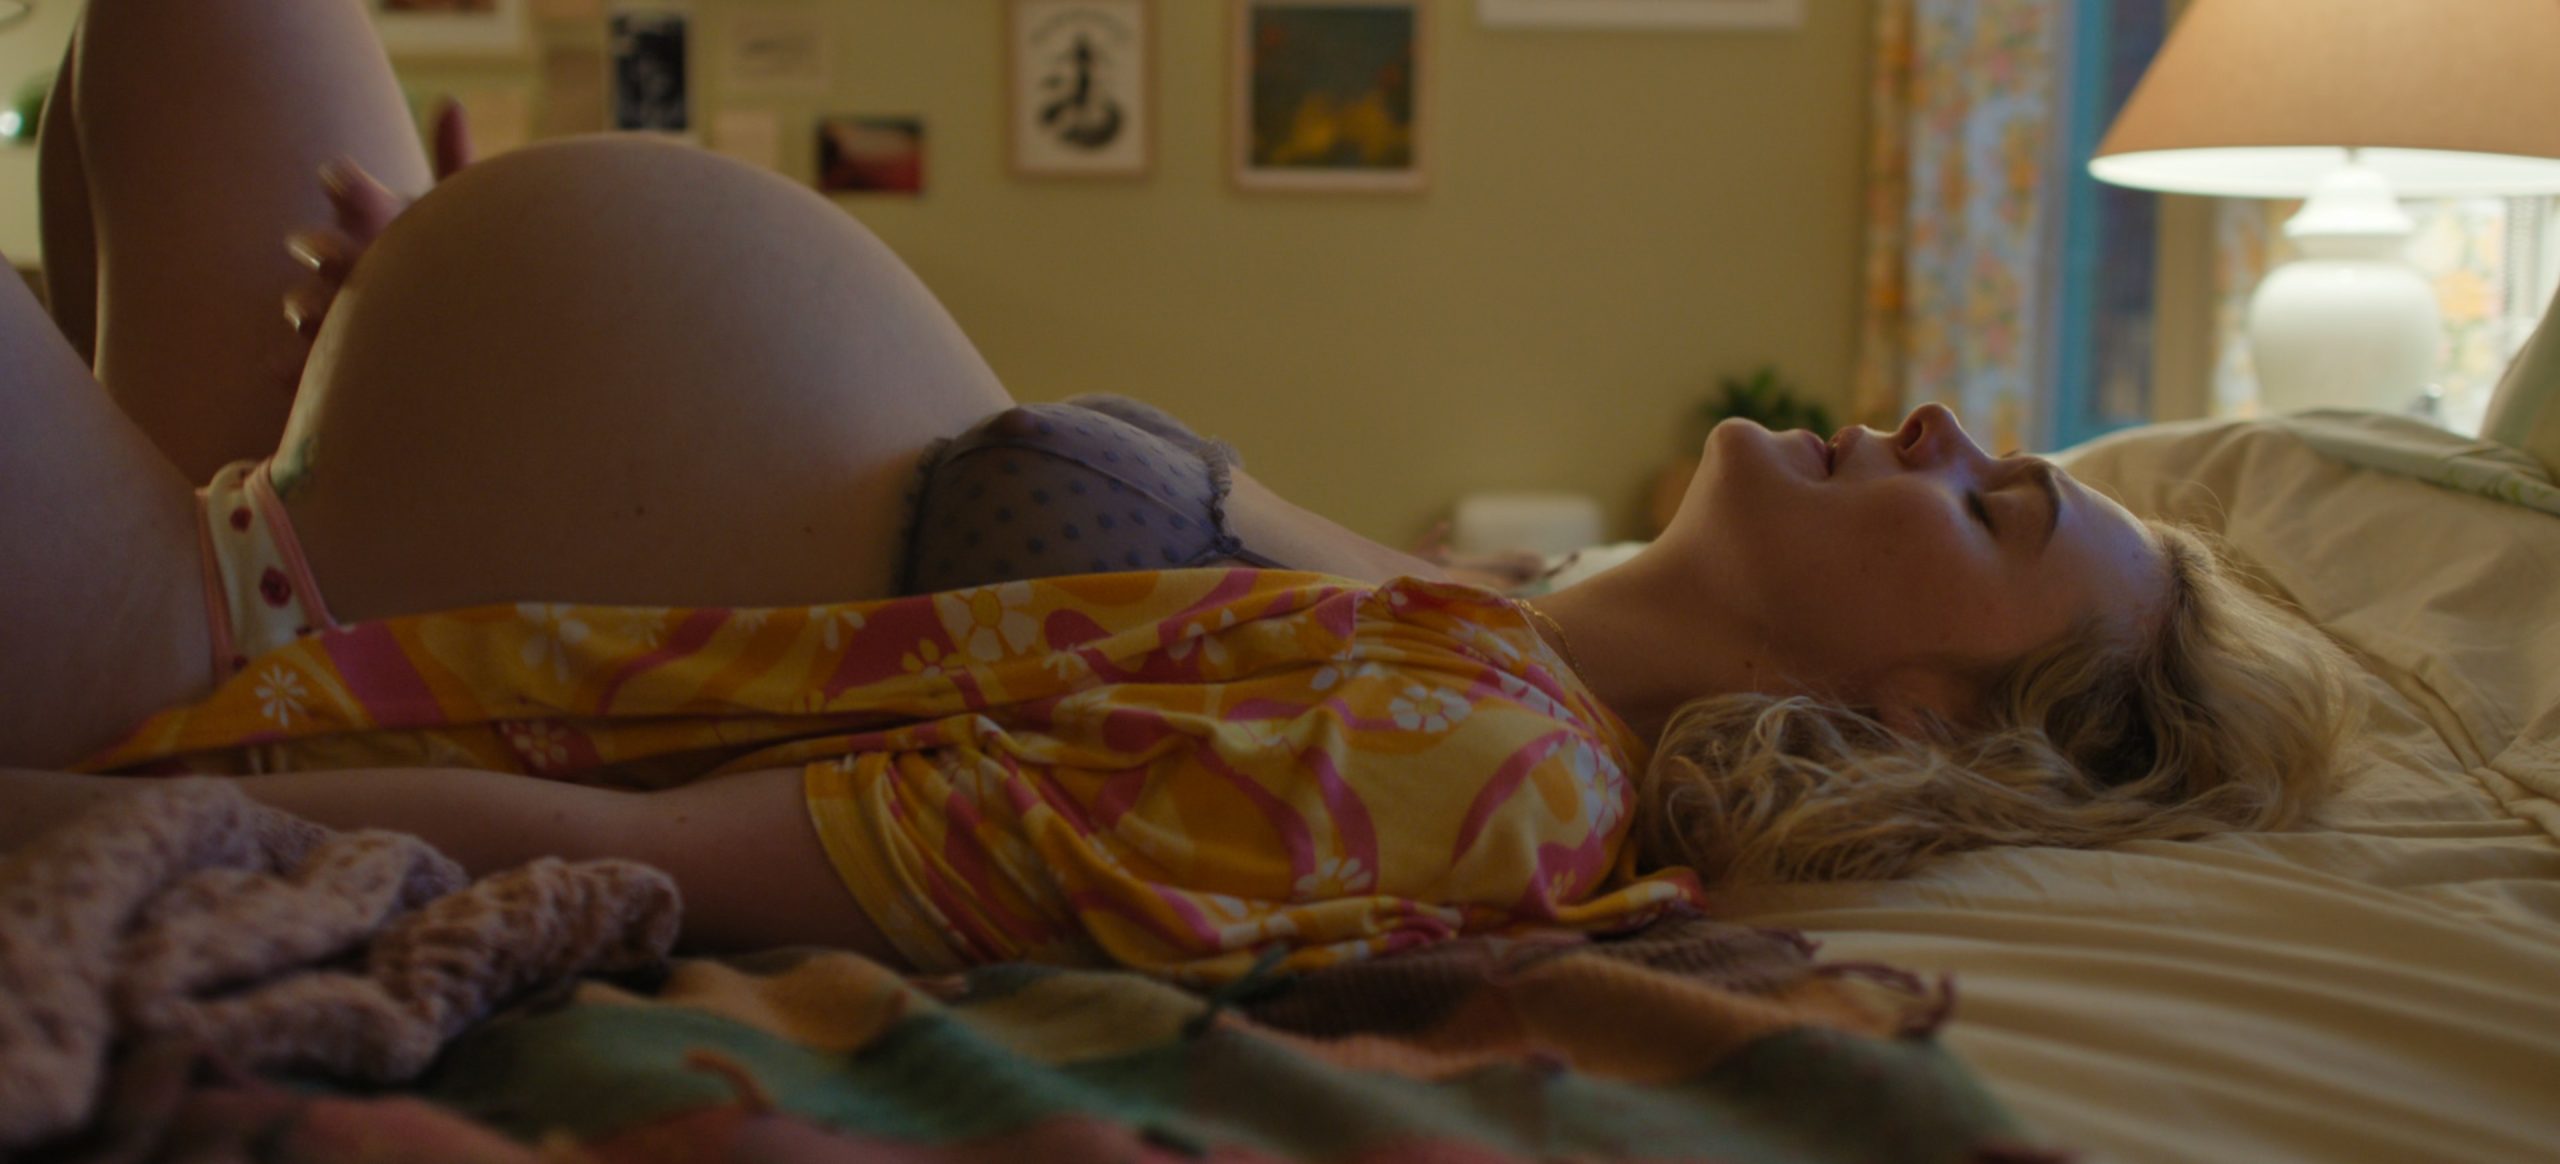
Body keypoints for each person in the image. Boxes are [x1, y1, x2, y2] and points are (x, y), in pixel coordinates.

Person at [1, 0, 2358, 981]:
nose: (1943, 429)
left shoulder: (1470, 772)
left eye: (1997, 511)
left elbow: (698, 854)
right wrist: (456, 359)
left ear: (1924, 723)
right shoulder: (1470, 630)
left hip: (240, 679)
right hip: (331, 495)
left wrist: (114, 815)